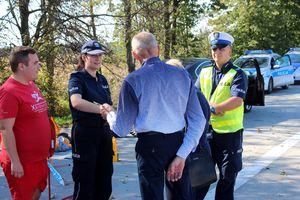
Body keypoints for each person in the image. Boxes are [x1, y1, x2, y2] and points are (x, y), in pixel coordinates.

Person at [105, 31, 206, 200]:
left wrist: (110, 114)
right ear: (158, 49)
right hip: (178, 142)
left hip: (149, 147)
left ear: (135, 55)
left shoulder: (133, 80)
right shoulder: (182, 75)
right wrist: (182, 154)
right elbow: (198, 119)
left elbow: (121, 129)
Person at [196, 31, 248, 200]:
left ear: (229, 51)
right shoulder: (204, 72)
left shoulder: (238, 73)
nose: (217, 51)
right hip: (206, 134)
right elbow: (193, 96)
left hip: (230, 136)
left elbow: (237, 100)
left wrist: (213, 108)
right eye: (214, 48)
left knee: (227, 179)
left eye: (221, 48)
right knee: (200, 177)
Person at [0, 46, 51, 200]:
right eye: (35, 63)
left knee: (35, 195)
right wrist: (15, 162)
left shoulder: (31, 84)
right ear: (22, 66)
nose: (39, 66)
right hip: (22, 162)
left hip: (39, 159)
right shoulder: (8, 92)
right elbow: (5, 129)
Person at [68, 40, 113, 200]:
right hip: (85, 133)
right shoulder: (77, 78)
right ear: (84, 56)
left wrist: (110, 111)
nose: (98, 58)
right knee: (85, 181)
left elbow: (109, 105)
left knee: (105, 180)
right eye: (93, 55)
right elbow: (76, 102)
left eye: (100, 55)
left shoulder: (103, 80)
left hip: (104, 133)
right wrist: (100, 109)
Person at [166, 58, 212, 200]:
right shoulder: (188, 92)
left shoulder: (192, 95)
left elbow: (197, 129)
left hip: (193, 157)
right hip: (193, 156)